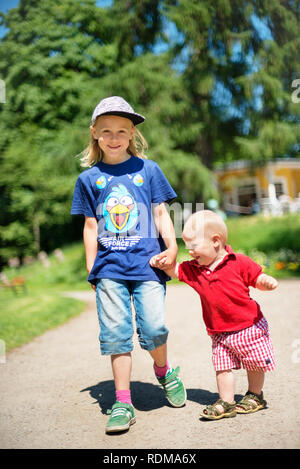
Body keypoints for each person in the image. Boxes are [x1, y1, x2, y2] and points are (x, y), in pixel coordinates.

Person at [71, 96, 186, 433]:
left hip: (147, 265)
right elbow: (91, 226)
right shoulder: (89, 179)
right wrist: (92, 268)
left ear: (132, 132)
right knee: (116, 334)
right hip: (109, 269)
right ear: (94, 133)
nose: (114, 136)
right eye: (106, 130)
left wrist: (173, 246)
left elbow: (160, 212)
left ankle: (164, 372)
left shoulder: (147, 170)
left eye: (122, 130)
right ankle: (123, 402)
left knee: (153, 329)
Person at [150, 209, 277, 420]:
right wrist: (164, 263)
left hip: (249, 327)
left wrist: (265, 282)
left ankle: (255, 394)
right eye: (187, 247)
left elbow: (257, 278)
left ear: (215, 241)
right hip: (219, 332)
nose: (190, 252)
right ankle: (226, 402)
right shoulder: (195, 269)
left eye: (194, 246)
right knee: (222, 367)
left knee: (253, 363)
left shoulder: (239, 262)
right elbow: (175, 271)